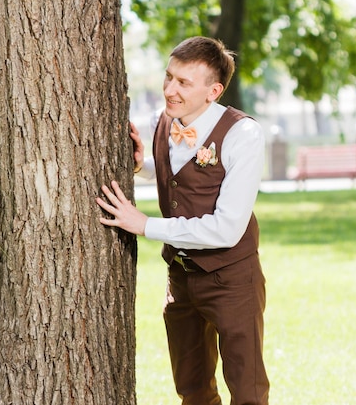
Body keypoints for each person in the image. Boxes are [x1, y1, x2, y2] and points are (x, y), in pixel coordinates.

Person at [96, 36, 269, 405]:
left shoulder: (243, 134)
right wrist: (141, 165)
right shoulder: (166, 120)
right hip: (180, 279)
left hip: (231, 279)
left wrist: (144, 225)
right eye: (169, 77)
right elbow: (177, 176)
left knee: (247, 388)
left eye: (184, 83)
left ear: (214, 91)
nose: (170, 90)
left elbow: (226, 227)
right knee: (191, 389)